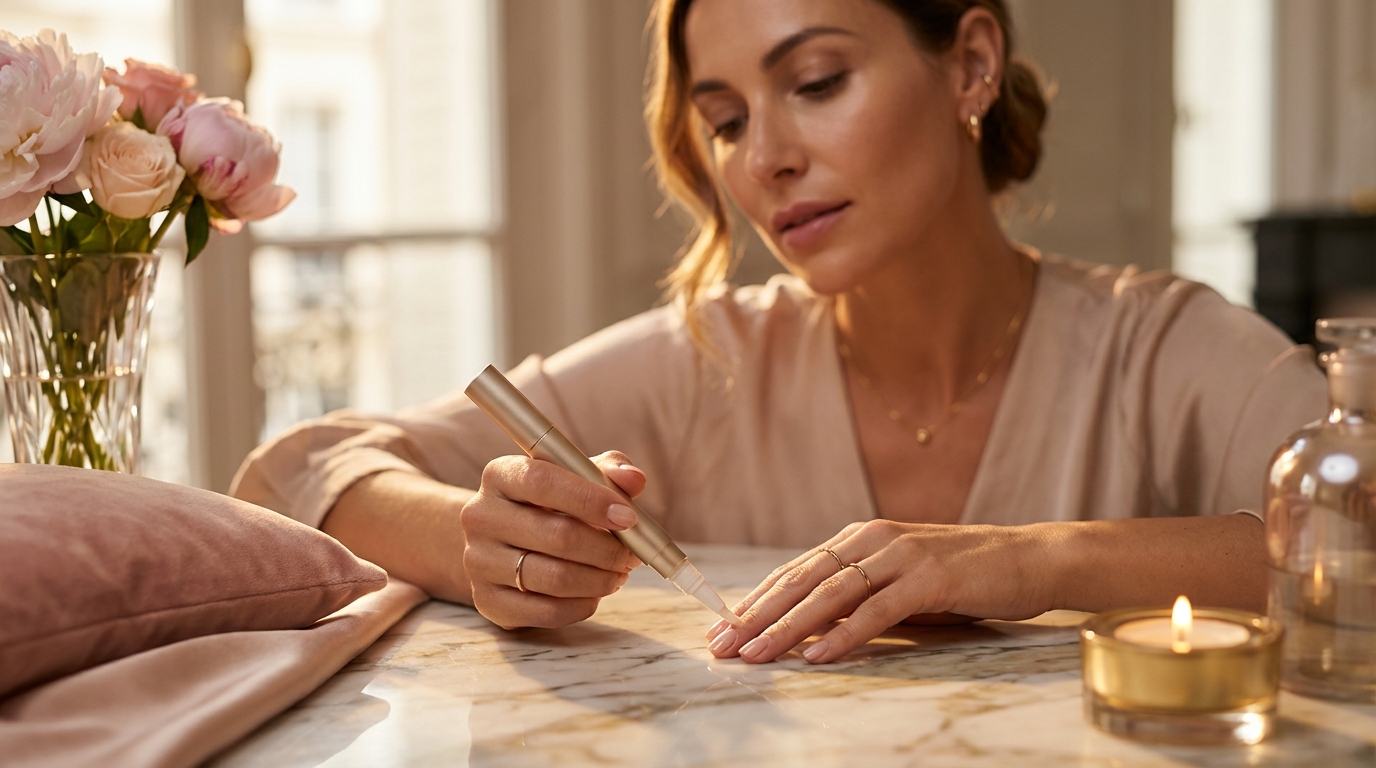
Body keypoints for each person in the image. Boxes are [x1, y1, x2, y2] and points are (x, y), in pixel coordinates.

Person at [232, 0, 1326, 665]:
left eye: (814, 81)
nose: (763, 160)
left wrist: (1033, 557)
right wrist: (477, 544)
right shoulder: (706, 365)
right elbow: (287, 474)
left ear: (970, 66)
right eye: (724, 121)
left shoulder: (1156, 355)